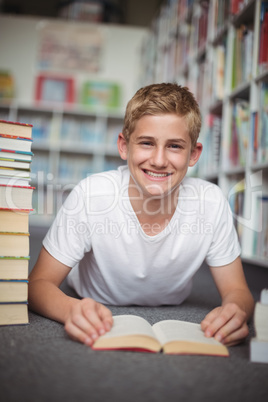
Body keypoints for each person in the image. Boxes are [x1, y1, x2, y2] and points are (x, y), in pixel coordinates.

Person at [28, 83, 254, 347]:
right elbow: (37, 285)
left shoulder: (211, 201)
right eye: (147, 143)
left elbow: (239, 291)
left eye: (175, 146)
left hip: (173, 303)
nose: (158, 160)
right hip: (92, 294)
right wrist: (70, 310)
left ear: (194, 154)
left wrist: (235, 311)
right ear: (124, 146)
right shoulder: (91, 195)